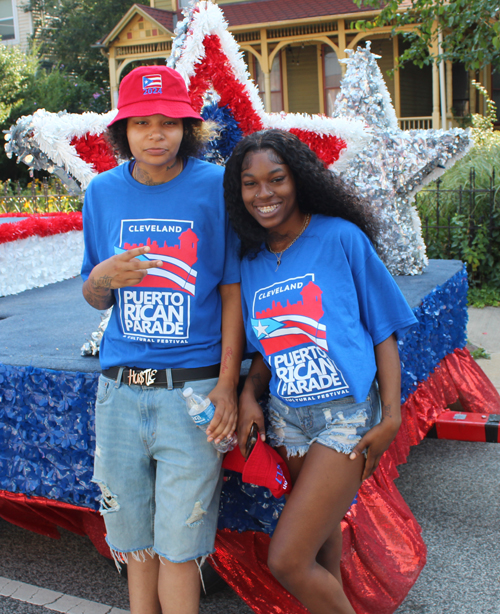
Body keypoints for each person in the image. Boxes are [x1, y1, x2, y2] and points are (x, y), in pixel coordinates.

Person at [223, 129, 417, 614]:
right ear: (238, 191)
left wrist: (390, 416)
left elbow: (384, 328)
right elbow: (271, 344)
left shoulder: (339, 237)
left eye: (276, 179)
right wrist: (249, 396)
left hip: (345, 418)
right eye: (250, 183)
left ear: (299, 179)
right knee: (322, 544)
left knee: (287, 559)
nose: (264, 194)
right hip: (289, 418)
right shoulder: (249, 261)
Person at [81, 65, 243, 614]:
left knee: (180, 546)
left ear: (188, 128)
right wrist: (103, 277)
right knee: (134, 544)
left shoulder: (214, 187)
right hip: (120, 392)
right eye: (142, 122)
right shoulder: (102, 193)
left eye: (170, 122)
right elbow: (95, 295)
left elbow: (230, 292)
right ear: (122, 130)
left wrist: (227, 385)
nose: (156, 133)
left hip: (191, 393)